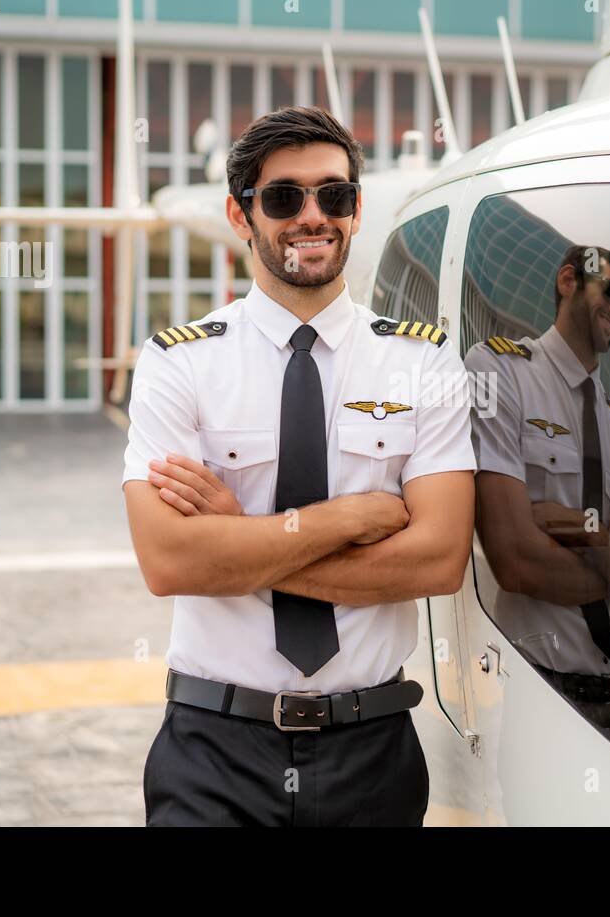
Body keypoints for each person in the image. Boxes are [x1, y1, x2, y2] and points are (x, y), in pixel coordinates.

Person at [121, 106, 476, 826]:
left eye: (334, 195)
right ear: (240, 214)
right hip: (213, 751)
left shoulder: (424, 360)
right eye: (284, 197)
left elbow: (437, 561)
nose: (312, 216)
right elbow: (168, 560)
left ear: (355, 209)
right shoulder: (179, 361)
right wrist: (347, 519)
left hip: (372, 750)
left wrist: (239, 536)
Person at [464, 243, 610, 744]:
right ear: (568, 281)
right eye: (607, 290)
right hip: (544, 693)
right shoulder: (500, 371)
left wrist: (591, 539)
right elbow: (516, 560)